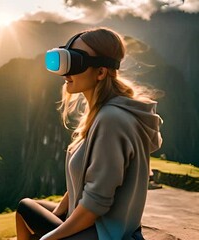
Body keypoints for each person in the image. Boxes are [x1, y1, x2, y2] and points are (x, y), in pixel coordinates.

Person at [15, 28, 163, 240]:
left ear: (101, 72)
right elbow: (86, 181)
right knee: (31, 209)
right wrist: (56, 217)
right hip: (111, 228)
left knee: (25, 209)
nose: (66, 73)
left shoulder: (111, 119)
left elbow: (94, 206)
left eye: (75, 62)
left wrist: (48, 237)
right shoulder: (105, 112)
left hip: (104, 234)